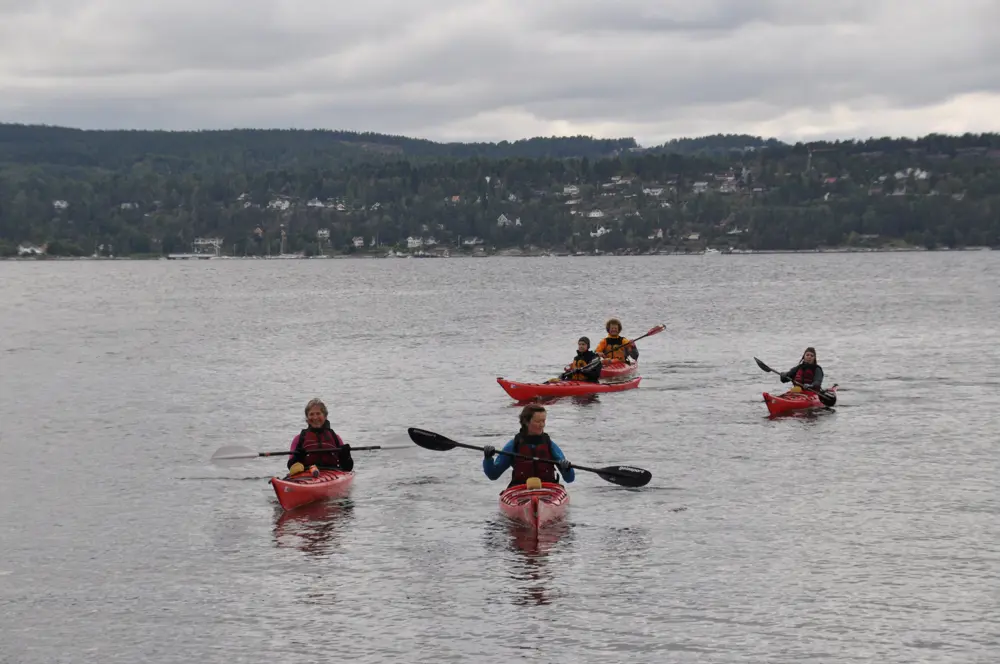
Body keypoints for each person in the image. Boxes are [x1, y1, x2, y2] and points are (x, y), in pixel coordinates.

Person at [482, 405, 575, 488]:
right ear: (526, 422)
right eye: (538, 421)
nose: (542, 425)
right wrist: (488, 458)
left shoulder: (550, 445)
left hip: (548, 489)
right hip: (521, 489)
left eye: (543, 421)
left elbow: (569, 479)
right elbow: (493, 475)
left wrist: (566, 468)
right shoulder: (513, 445)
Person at [286, 398, 354, 475]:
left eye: (318, 414)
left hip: (332, 473)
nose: (315, 417)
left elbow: (348, 467)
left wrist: (346, 455)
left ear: (325, 416)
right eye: (311, 414)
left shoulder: (335, 437)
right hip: (307, 474)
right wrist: (297, 457)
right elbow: (290, 466)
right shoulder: (299, 439)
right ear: (307, 419)